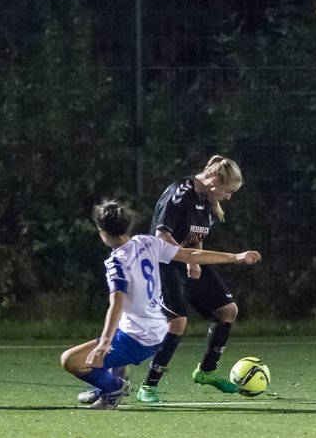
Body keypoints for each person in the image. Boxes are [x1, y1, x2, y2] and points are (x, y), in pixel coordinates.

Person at [83, 156, 248, 406]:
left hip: (186, 260)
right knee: (177, 322)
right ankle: (148, 386)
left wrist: (196, 260)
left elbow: (195, 237)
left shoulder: (207, 201)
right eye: (228, 191)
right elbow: (162, 235)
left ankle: (206, 372)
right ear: (214, 181)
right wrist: (190, 260)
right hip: (164, 264)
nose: (229, 197)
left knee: (228, 311)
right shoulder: (179, 194)